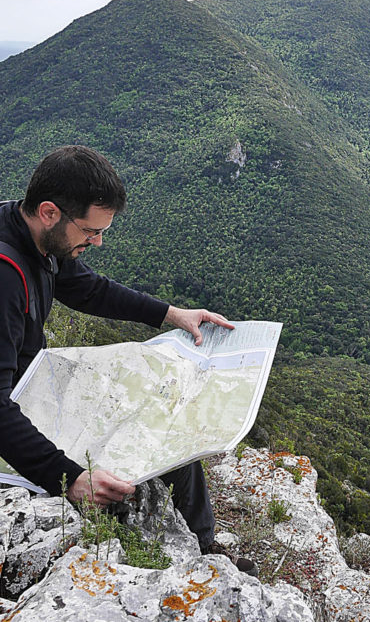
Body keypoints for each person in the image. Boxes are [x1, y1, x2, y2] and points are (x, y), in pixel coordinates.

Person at [0, 145, 233, 554]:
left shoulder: (33, 235)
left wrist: (172, 314)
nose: (99, 241)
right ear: (51, 212)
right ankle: (203, 558)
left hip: (28, 392)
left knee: (165, 419)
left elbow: (88, 289)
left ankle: (205, 551)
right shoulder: (4, 277)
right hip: (13, 425)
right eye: (90, 231)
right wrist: (70, 476)